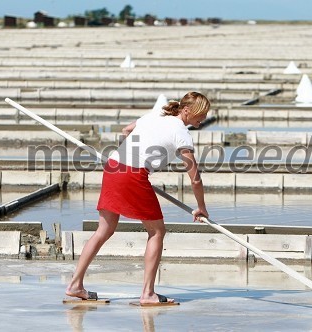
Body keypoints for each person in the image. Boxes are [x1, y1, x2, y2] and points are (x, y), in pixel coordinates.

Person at [65, 91, 210, 304]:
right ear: (187, 110)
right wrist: (201, 207)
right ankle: (148, 294)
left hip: (114, 166)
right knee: (157, 231)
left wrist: (130, 154)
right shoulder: (181, 133)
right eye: (201, 115)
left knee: (103, 230)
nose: (203, 120)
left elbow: (126, 130)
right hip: (133, 174)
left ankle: (75, 285)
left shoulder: (156, 116)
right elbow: (195, 178)